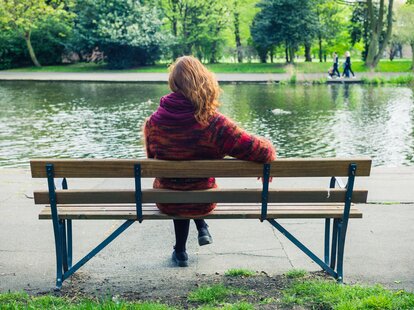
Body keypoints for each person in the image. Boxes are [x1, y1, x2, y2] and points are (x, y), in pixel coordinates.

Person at [144, 56, 276, 267]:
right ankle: (201, 227)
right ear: (203, 80)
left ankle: (181, 251)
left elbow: (152, 158)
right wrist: (269, 147)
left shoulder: (153, 122)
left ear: (174, 83)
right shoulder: (214, 122)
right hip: (204, 198)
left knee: (179, 188)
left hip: (167, 198)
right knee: (192, 189)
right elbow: (258, 150)